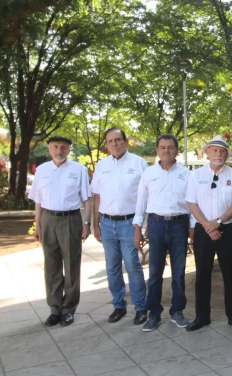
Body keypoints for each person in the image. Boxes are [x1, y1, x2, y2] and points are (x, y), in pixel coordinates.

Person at [185, 136, 232, 332]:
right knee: (202, 275)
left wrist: (217, 222)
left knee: (231, 275)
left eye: (222, 151)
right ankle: (202, 317)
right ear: (207, 153)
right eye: (214, 151)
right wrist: (207, 225)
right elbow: (191, 203)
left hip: (226, 230)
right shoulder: (196, 175)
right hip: (204, 231)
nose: (218, 154)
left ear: (226, 154)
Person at [133, 134, 194, 332]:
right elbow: (140, 204)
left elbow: (194, 204)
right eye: (162, 147)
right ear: (157, 150)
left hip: (179, 225)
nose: (166, 151)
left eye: (170, 147)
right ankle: (154, 314)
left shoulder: (187, 174)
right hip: (156, 225)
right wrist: (137, 230)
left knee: (178, 272)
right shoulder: (148, 174)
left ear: (177, 150)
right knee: (154, 273)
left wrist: (192, 228)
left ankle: (177, 311)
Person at [29, 136, 92, 327]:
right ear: (49, 149)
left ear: (69, 149)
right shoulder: (42, 170)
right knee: (51, 265)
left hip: (71, 219)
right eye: (55, 147)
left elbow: (87, 199)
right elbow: (38, 201)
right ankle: (55, 308)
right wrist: (37, 224)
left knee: (72, 264)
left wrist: (86, 223)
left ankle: (69, 308)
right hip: (48, 219)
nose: (59, 151)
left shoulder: (78, 170)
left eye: (63, 147)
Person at [92, 128, 148, 326]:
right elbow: (97, 196)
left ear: (125, 141)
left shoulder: (138, 163)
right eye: (110, 141)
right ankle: (119, 305)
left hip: (129, 223)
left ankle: (141, 307)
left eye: (118, 140)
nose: (114, 144)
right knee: (112, 266)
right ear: (106, 145)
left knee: (133, 265)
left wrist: (141, 225)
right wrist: (95, 223)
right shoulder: (101, 165)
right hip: (106, 223)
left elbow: (145, 196)